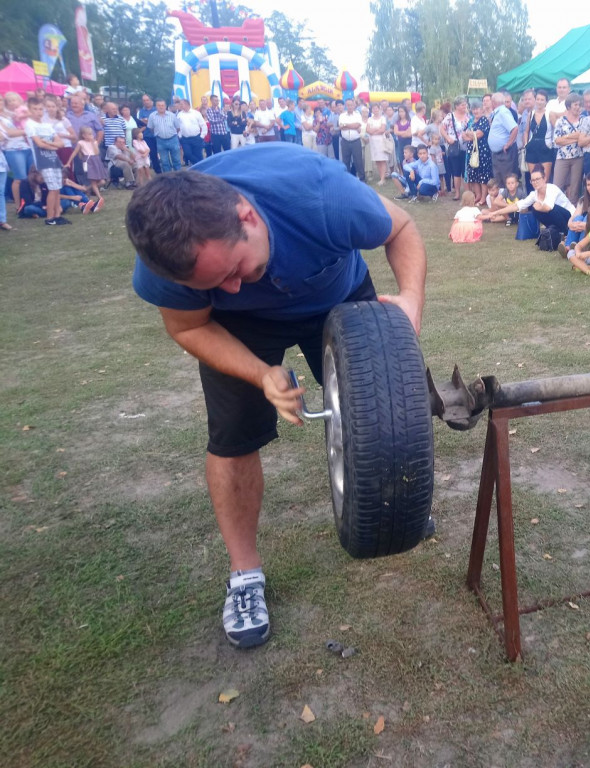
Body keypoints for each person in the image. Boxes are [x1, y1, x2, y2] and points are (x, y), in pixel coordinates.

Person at [127, 142, 427, 649]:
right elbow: (188, 328)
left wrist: (410, 307)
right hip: (235, 330)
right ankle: (245, 576)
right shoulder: (169, 260)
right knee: (233, 439)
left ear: (248, 216)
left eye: (234, 269)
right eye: (216, 283)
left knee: (386, 408)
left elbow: (401, 228)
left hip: (335, 291)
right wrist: (261, 372)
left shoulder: (323, 196)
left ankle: (391, 505)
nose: (234, 286)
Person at [479, 166, 574, 235]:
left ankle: (565, 232)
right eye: (533, 180)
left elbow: (548, 207)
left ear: (544, 178)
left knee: (545, 208)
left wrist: (539, 207)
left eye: (538, 179)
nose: (535, 182)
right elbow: (516, 206)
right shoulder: (534, 194)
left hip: (571, 216)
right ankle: (556, 230)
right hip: (558, 217)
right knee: (535, 210)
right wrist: (495, 213)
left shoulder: (552, 188)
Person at [25, 96, 69, 225]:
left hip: (54, 159)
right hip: (43, 160)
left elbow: (61, 143)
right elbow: (39, 144)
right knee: (52, 188)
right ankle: (50, 218)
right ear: (30, 110)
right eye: (35, 109)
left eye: (40, 109)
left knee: (57, 188)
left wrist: (47, 142)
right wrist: (50, 144)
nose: (38, 112)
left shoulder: (47, 126)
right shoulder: (30, 124)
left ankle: (57, 215)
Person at [552, 93, 584, 205]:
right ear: (569, 106)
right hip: (562, 157)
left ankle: (572, 213)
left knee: (575, 188)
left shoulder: (584, 120)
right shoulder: (560, 121)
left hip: (578, 157)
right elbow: (557, 140)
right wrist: (575, 137)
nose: (578, 107)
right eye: (575, 104)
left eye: (580, 105)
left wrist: (566, 138)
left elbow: (583, 137)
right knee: (557, 186)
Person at [462, 100, 492, 206]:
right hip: (471, 151)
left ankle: (483, 198)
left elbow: (479, 134)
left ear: (482, 109)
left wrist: (469, 133)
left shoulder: (484, 120)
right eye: (473, 109)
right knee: (473, 175)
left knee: (483, 175)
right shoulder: (470, 121)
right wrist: (471, 135)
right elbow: (463, 135)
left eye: (477, 108)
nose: (475, 111)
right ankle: (478, 195)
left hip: (482, 151)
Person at [65, 125, 107, 198]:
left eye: (92, 134)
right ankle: (99, 197)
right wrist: (68, 162)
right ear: (84, 135)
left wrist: (93, 143)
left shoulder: (94, 142)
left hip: (96, 161)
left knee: (102, 181)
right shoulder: (81, 143)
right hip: (88, 161)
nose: (92, 135)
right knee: (93, 181)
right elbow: (74, 153)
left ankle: (86, 189)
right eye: (89, 134)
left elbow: (96, 152)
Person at [487, 91, 519, 186]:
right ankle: (501, 199)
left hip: (505, 153)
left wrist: (508, 144)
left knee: (506, 180)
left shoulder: (503, 112)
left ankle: (507, 200)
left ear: (493, 102)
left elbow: (514, 128)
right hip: (498, 153)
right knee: (499, 180)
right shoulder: (498, 112)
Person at [523, 90, 554, 184]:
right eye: (538, 99)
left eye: (542, 100)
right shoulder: (531, 114)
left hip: (545, 148)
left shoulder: (550, 114)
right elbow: (526, 131)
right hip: (532, 148)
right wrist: (526, 144)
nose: (539, 102)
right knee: (534, 179)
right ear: (535, 100)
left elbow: (556, 129)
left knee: (544, 179)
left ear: (546, 102)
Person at [442, 97, 470, 201]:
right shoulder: (450, 116)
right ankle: (457, 193)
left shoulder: (468, 116)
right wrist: (448, 138)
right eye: (462, 105)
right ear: (457, 106)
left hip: (466, 147)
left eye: (465, 104)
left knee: (466, 171)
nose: (464, 106)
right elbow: (442, 128)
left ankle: (467, 193)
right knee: (456, 171)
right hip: (454, 147)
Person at [337, 99, 364, 180]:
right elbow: (341, 127)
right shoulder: (342, 115)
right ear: (345, 106)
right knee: (346, 161)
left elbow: (357, 125)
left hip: (356, 141)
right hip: (345, 141)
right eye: (348, 105)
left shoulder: (357, 114)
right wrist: (352, 125)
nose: (350, 107)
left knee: (358, 161)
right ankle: (347, 179)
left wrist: (346, 125)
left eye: (351, 105)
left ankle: (362, 178)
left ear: (354, 105)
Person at [176, 100, 208, 167]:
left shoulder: (196, 113)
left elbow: (203, 125)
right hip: (185, 139)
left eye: (182, 104)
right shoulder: (179, 115)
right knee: (187, 154)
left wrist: (202, 136)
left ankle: (200, 170)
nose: (181, 106)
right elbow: (178, 127)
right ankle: (199, 164)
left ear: (187, 104)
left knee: (198, 154)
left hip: (196, 138)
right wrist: (180, 136)